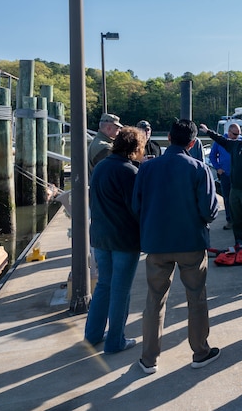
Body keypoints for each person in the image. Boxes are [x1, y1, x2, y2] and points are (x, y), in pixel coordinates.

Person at [131, 119, 220, 375]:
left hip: (157, 243)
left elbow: (136, 207)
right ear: (193, 143)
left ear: (168, 138)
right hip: (191, 242)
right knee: (196, 298)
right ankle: (200, 351)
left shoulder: (147, 169)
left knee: (154, 301)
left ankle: (149, 358)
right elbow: (210, 211)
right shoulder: (199, 168)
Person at [84, 126, 146, 354]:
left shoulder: (101, 167)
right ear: (135, 147)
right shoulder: (130, 172)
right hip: (123, 239)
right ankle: (115, 341)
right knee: (121, 290)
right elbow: (137, 208)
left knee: (104, 285)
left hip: (101, 236)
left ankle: (92, 335)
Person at [199, 120, 242, 250]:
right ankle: (239, 242)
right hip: (235, 189)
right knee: (237, 219)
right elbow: (220, 140)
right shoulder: (236, 145)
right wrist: (207, 131)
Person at [209, 123, 240, 230]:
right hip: (225, 174)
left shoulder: (240, 141)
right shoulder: (220, 142)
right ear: (229, 132)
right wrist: (217, 168)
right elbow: (212, 156)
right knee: (227, 198)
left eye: (238, 134)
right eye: (235, 134)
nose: (237, 136)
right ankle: (229, 220)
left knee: (240, 197)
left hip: (238, 175)